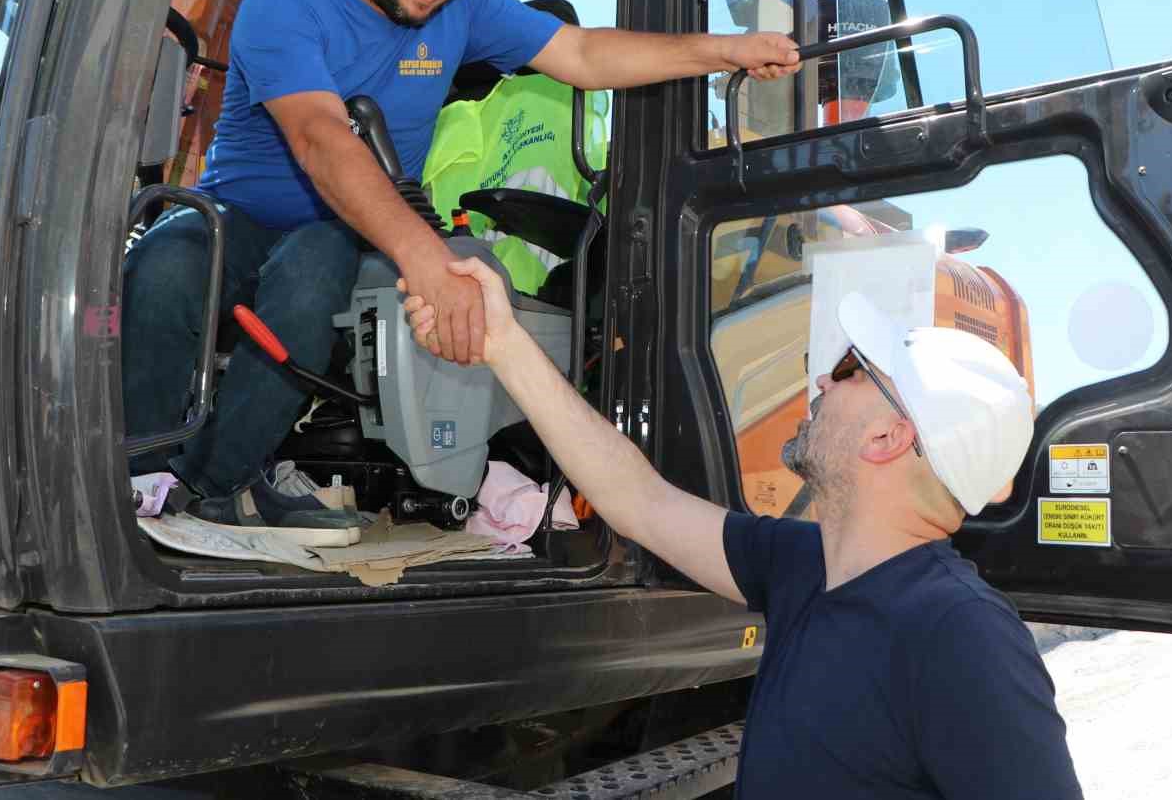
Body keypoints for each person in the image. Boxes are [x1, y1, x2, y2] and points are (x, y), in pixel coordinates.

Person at [122, 0, 800, 526]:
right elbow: (320, 138)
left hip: (342, 230)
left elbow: (582, 53)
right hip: (236, 213)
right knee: (167, 259)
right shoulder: (287, 2)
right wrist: (425, 257)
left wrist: (720, 51)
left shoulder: (465, 5)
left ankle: (209, 488)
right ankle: (136, 476)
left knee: (314, 268)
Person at [401, 265, 1083, 799]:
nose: (823, 379)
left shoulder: (961, 635)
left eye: (852, 371)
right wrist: (504, 344)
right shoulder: (804, 566)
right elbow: (639, 500)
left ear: (887, 437)